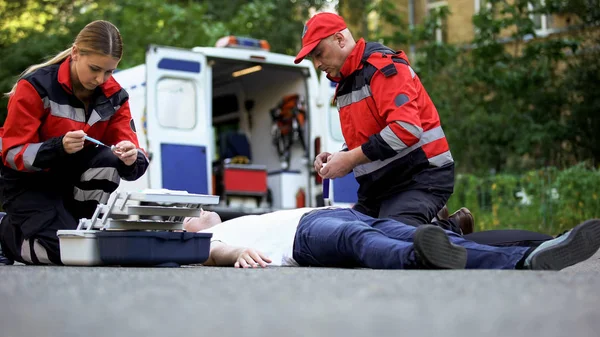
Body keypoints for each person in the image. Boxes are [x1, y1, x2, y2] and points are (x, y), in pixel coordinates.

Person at [295, 12, 463, 233]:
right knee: (343, 237)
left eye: (319, 54)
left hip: (420, 178)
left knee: (390, 239)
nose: (317, 64)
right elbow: (368, 140)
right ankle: (441, 225)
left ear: (340, 39)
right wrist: (338, 157)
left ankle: (450, 228)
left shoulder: (383, 68)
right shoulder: (345, 84)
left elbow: (406, 129)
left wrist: (350, 159)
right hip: (380, 188)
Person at [0, 20, 149, 265]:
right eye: (95, 69)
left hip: (71, 186)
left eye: (109, 71)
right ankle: (6, 235)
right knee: (69, 254)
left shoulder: (116, 96)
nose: (101, 79)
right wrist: (58, 147)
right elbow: (12, 153)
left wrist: (132, 158)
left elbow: (133, 156)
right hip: (29, 186)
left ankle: (81, 228)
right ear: (75, 53)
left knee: (111, 160)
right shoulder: (35, 86)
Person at [184, 208, 600, 270]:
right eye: (186, 215)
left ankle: (531, 255)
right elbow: (212, 252)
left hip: (331, 212)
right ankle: (419, 260)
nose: (195, 211)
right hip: (307, 236)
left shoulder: (233, 217)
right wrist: (236, 252)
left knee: (415, 231)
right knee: (356, 238)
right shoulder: (205, 239)